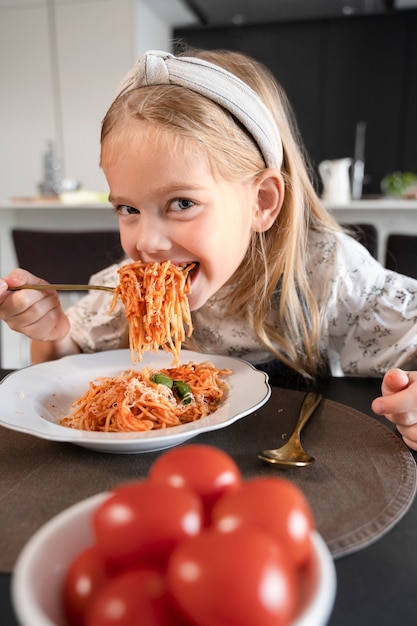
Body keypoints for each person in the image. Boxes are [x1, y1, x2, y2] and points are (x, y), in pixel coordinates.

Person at [1, 47, 417, 449]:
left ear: (262, 202)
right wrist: (50, 335)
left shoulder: (324, 271)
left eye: (182, 204)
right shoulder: (124, 291)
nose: (145, 243)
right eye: (128, 208)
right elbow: (60, 377)